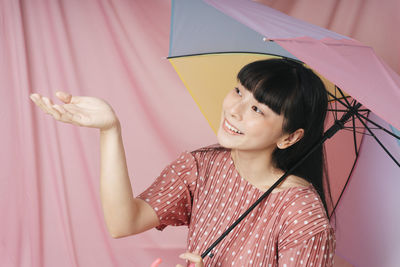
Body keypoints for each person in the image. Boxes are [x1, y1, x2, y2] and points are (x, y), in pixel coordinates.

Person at [30, 58, 336, 266]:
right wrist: (110, 130)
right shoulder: (201, 166)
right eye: (239, 91)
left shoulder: (302, 215)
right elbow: (124, 222)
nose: (235, 110)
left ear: (289, 138)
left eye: (258, 109)